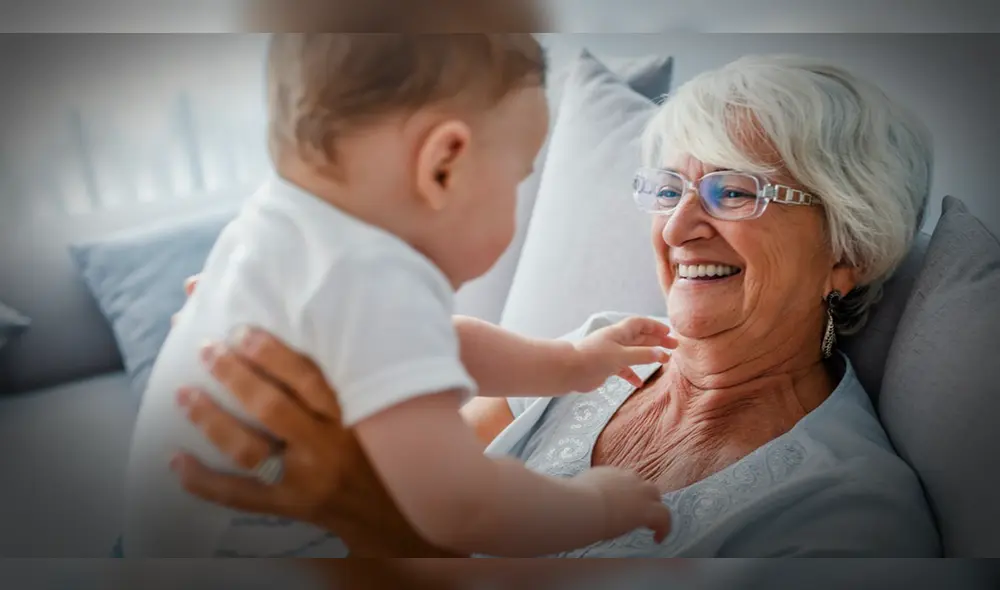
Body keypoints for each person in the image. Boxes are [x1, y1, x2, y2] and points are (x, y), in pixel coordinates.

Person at [166, 53, 942, 557]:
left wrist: (372, 522)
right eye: (668, 188)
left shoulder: (848, 521)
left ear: (850, 250)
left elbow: (392, 509)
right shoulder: (602, 353)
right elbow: (414, 448)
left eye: (733, 191)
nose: (677, 226)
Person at [124, 32, 677, 559]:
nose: (516, 204)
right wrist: (599, 506)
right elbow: (463, 505)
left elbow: (442, 345)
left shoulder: (277, 227)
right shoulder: (370, 276)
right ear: (442, 166)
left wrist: (571, 364)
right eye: (516, 179)